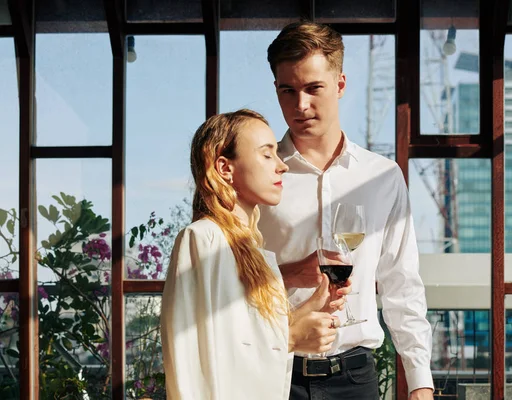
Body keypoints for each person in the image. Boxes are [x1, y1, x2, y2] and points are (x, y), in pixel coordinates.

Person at [258, 22, 435, 399]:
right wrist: (290, 273)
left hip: (355, 379)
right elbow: (230, 275)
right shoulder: (258, 176)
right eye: (287, 91)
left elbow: (402, 283)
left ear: (340, 85)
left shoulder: (383, 177)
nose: (300, 105)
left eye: (313, 88)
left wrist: (420, 381)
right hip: (274, 372)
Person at [160, 109, 350, 400]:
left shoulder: (255, 252)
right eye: (266, 154)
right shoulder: (203, 239)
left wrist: (312, 306)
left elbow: (245, 338)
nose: (281, 166)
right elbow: (196, 358)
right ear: (225, 168)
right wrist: (292, 337)